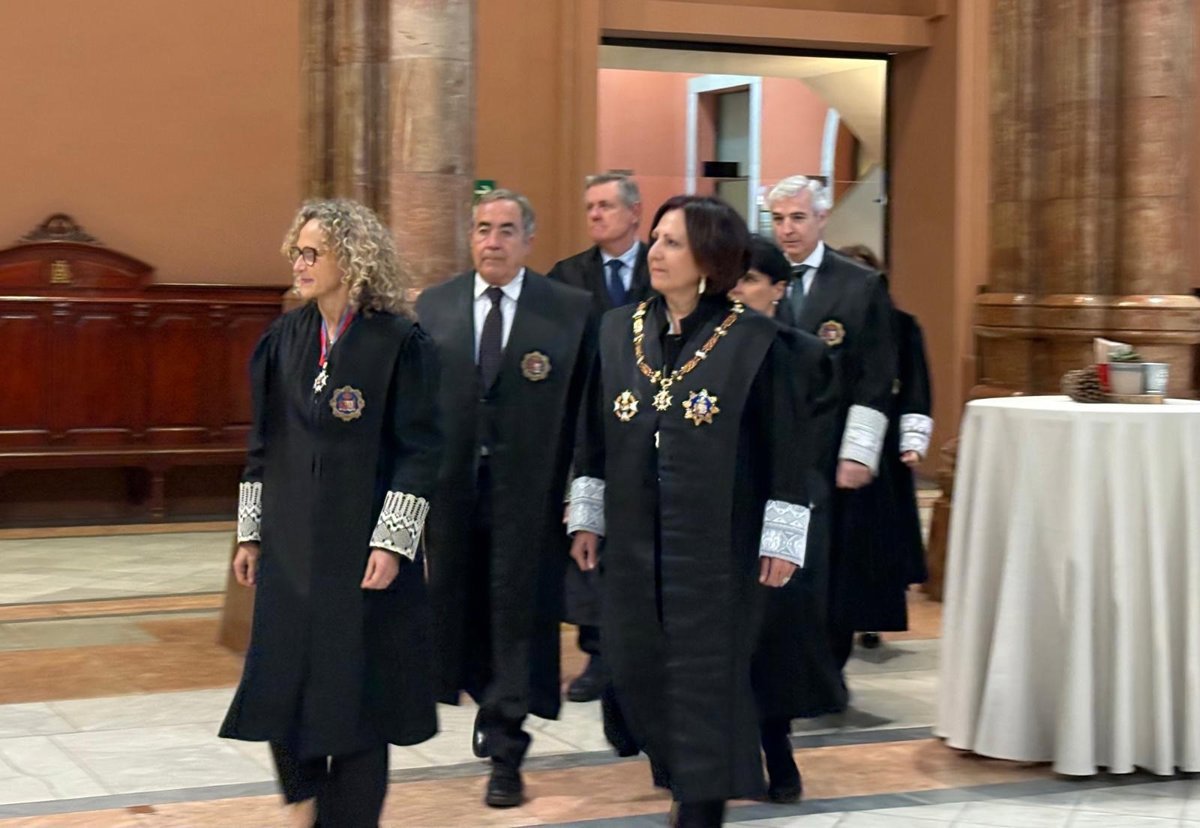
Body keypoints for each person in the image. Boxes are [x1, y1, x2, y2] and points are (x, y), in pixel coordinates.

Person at [567, 196, 830, 827]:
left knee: (706, 681)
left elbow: (788, 449)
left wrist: (782, 538)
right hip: (635, 543)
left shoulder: (757, 342)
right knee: (637, 667)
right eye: (655, 239)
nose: (655, 252)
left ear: (710, 258)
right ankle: (680, 775)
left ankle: (700, 803)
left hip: (720, 546)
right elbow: (591, 432)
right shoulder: (617, 330)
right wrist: (587, 514)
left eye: (673, 243)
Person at [220, 199, 441, 828]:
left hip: (363, 556)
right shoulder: (282, 339)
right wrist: (250, 534)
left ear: (353, 258)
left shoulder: (400, 343)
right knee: (280, 688)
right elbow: (261, 446)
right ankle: (303, 802)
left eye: (314, 252)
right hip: (290, 552)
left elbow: (421, 452)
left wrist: (393, 543)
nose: (300, 262)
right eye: (297, 251)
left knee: (358, 700)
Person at [417, 189, 595, 808]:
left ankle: (506, 744)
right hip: (452, 494)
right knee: (460, 610)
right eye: (483, 229)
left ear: (528, 240)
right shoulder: (435, 307)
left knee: (518, 616)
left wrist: (583, 499)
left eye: (506, 230)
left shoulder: (568, 310)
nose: (492, 241)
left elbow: (587, 414)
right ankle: (484, 697)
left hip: (531, 496)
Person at [731, 236, 845, 803]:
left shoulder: (805, 355)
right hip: (714, 514)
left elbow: (808, 450)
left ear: (778, 289)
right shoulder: (700, 350)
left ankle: (777, 750)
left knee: (774, 640)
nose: (738, 290)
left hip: (779, 514)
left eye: (751, 280)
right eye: (732, 279)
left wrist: (785, 523)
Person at [768, 175, 899, 672]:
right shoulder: (759, 278)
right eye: (779, 219)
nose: (787, 229)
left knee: (827, 562)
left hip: (829, 446)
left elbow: (875, 377)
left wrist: (858, 453)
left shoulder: (859, 284)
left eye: (798, 218)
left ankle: (825, 668)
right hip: (773, 440)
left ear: (822, 218)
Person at [548, 172, 654, 703]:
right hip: (585, 424)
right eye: (589, 206)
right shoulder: (567, 276)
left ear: (634, 212)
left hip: (651, 423)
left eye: (606, 206)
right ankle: (596, 653)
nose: (594, 215)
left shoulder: (663, 268)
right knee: (588, 536)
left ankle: (642, 650)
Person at [839, 243, 933, 650]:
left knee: (877, 535)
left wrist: (912, 438)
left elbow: (916, 383)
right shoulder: (826, 320)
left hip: (883, 441)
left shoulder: (902, 325)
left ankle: (872, 618)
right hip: (834, 438)